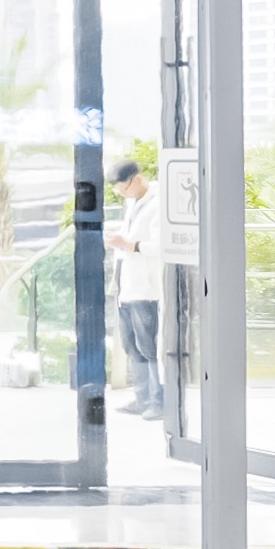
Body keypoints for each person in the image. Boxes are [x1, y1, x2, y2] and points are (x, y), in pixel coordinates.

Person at [107, 157, 164, 418]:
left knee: (149, 346)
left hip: (146, 288)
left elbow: (162, 246)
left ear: (137, 179)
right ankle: (142, 398)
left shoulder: (159, 202)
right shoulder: (133, 203)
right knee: (131, 344)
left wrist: (129, 244)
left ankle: (158, 401)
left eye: (123, 188)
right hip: (126, 286)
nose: (122, 193)